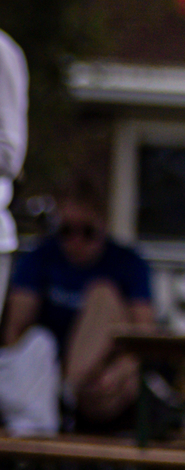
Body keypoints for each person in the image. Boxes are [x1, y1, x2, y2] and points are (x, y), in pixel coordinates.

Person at [2, 171, 155, 429]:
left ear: (103, 225)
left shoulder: (127, 263)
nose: (76, 241)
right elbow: (15, 333)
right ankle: (66, 391)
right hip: (48, 382)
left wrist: (117, 373)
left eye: (87, 231)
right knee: (39, 343)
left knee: (103, 294)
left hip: (106, 384)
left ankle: (71, 389)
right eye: (66, 231)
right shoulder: (40, 259)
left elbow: (145, 338)